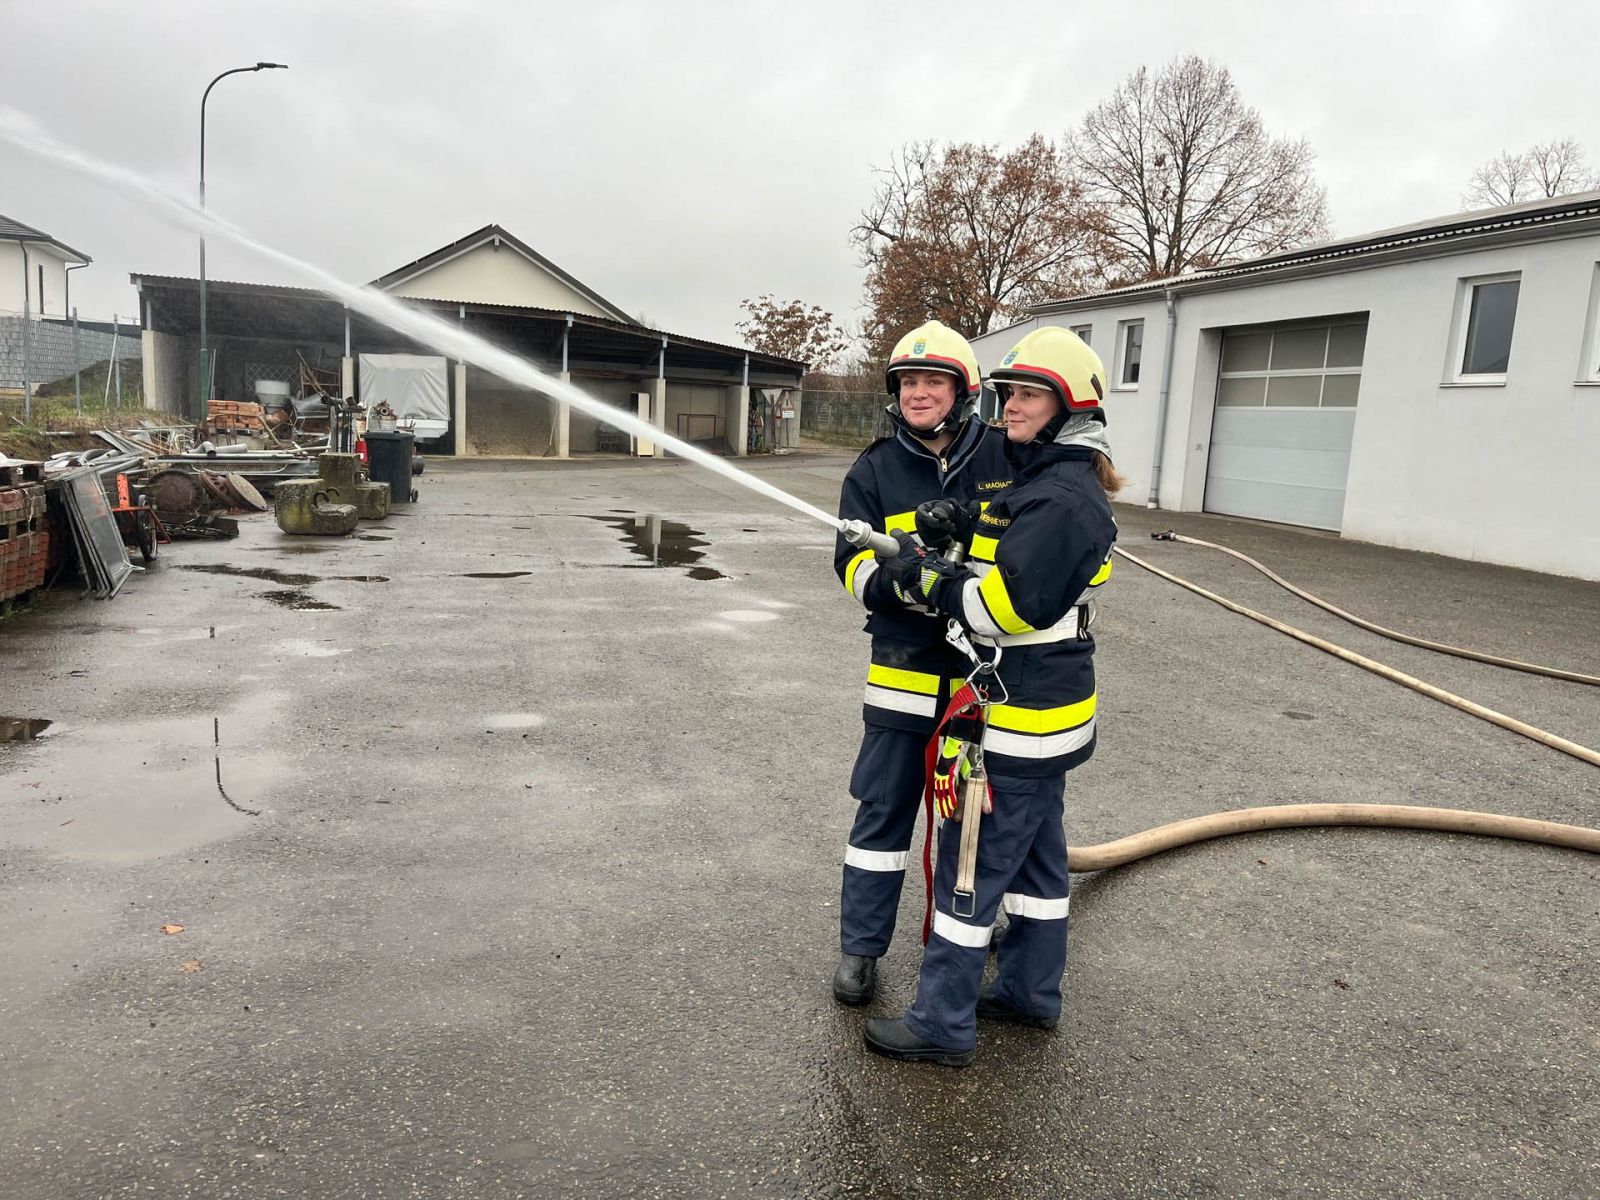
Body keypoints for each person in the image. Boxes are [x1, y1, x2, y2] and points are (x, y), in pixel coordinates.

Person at [866, 325, 1123, 1066]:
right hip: (1049, 716)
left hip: (1020, 718)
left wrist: (931, 581)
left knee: (969, 865)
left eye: (1029, 395)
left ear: (1070, 407)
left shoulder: (1062, 500)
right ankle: (1029, 993)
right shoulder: (1046, 483)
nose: (1010, 407)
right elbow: (1018, 555)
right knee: (1039, 866)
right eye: (1008, 393)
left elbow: (1001, 609)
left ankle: (940, 1023)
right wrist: (961, 531)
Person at [830, 320, 1013, 1006]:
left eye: (933, 381)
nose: (918, 393)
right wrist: (902, 583)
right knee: (883, 808)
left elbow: (1028, 547)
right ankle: (861, 948)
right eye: (908, 381)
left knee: (973, 808)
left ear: (962, 392)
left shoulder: (1005, 453)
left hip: (981, 670)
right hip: (903, 666)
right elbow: (850, 566)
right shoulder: (873, 470)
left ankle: (966, 931)